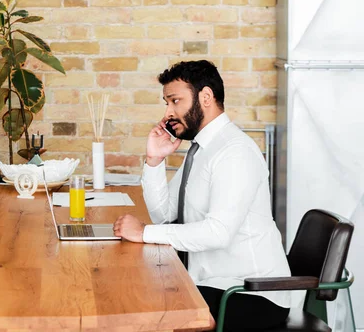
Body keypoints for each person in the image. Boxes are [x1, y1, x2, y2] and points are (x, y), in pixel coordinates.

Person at [113, 60, 291, 331]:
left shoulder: (234, 152)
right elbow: (165, 214)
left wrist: (144, 233)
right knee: (131, 295)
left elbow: (218, 233)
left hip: (248, 292)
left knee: (147, 314)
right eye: (166, 103)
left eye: (175, 101)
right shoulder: (201, 148)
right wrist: (154, 160)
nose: (168, 112)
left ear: (205, 97)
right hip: (210, 282)